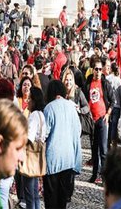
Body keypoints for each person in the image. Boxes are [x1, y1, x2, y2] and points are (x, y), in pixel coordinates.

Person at [43, 80, 82, 209]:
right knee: (62, 199)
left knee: (51, 198)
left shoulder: (49, 108)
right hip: (68, 158)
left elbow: (44, 134)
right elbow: (78, 130)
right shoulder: (71, 107)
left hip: (53, 159)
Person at [82, 57, 114, 184]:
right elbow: (84, 99)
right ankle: (94, 174)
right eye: (97, 69)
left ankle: (104, 177)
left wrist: (108, 114)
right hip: (92, 120)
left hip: (102, 119)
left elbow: (113, 101)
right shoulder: (88, 83)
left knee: (104, 150)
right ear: (92, 70)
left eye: (101, 69)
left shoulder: (105, 83)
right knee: (94, 150)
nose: (99, 71)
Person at [20, 87, 46, 209]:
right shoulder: (41, 115)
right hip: (38, 157)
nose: (27, 101)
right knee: (35, 194)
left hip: (30, 157)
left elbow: (28, 137)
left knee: (29, 195)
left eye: (30, 99)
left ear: (34, 101)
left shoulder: (34, 116)